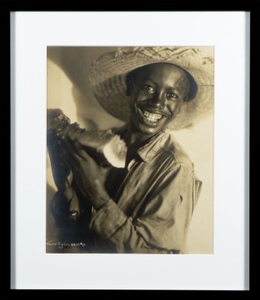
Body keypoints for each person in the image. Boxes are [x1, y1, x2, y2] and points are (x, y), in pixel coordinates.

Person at [47, 47, 214, 254]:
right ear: (129, 87)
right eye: (148, 87)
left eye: (171, 95)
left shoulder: (177, 168)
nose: (158, 102)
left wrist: (98, 196)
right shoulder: (104, 140)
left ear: (181, 104)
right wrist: (64, 184)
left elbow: (158, 262)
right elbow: (74, 233)